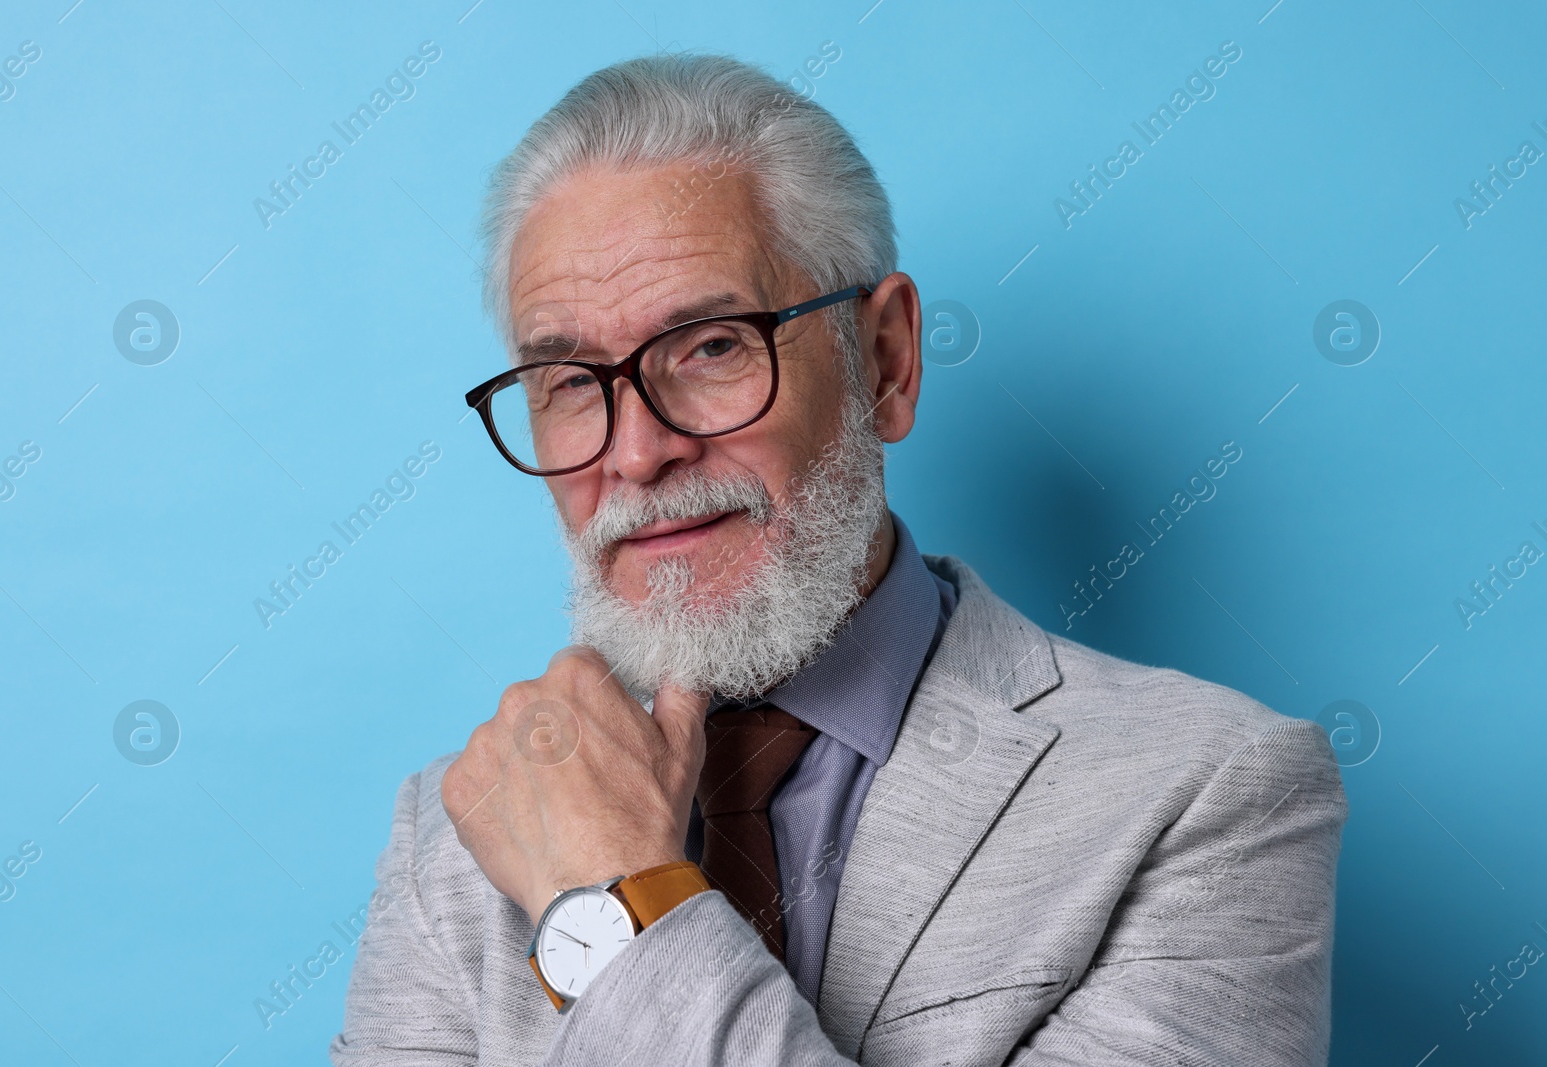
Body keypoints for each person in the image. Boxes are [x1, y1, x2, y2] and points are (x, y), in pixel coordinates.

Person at [330, 53, 1346, 1066]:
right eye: (568, 381)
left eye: (712, 346)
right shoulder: (456, 828)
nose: (636, 454)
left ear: (887, 362)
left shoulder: (1209, 793)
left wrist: (615, 895)